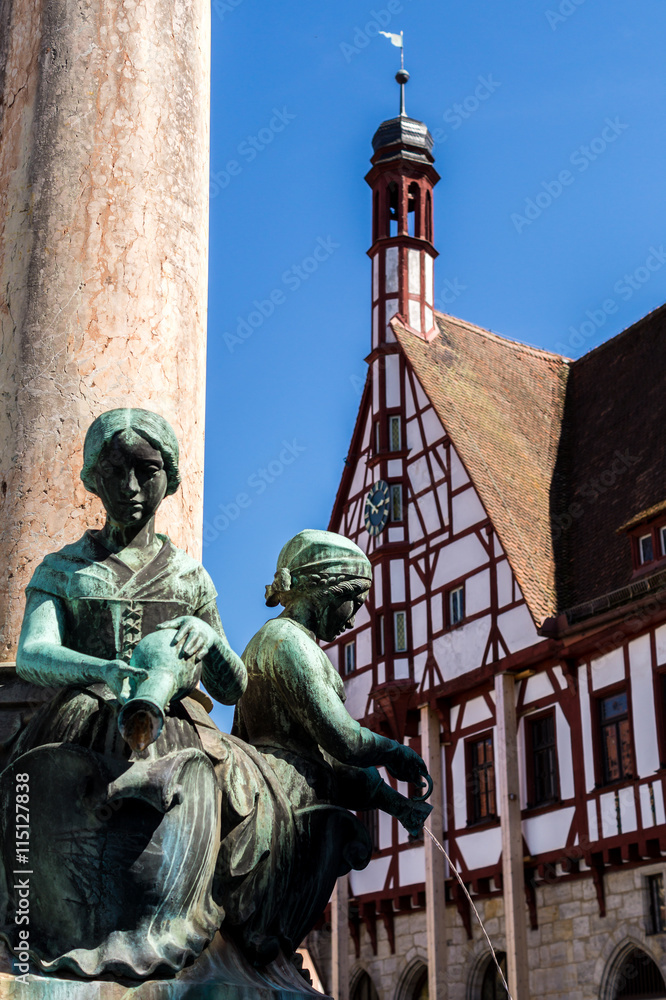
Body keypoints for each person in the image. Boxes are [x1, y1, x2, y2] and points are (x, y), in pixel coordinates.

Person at [1, 408, 247, 979]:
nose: (131, 487)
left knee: (226, 786)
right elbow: (34, 653)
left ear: (172, 478)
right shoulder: (62, 568)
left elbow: (232, 688)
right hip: (81, 719)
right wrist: (104, 669)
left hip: (175, 729)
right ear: (92, 479)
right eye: (114, 472)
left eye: (147, 471)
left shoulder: (190, 578)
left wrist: (209, 641)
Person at [229, 530, 433, 959]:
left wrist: (396, 805)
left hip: (276, 790)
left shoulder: (270, 643)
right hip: (287, 802)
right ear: (325, 589)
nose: (353, 617)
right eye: (353, 601)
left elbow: (329, 761)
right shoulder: (288, 644)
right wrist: (395, 752)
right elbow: (342, 739)